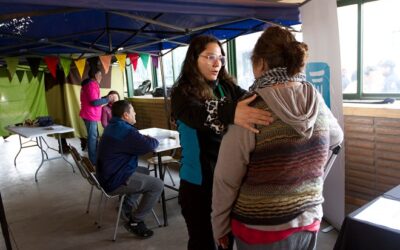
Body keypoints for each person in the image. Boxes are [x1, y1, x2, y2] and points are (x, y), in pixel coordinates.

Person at [211, 26, 344, 250]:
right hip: (308, 219)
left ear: (261, 63)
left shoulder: (250, 108)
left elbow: (226, 180)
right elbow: (336, 137)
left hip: (261, 229)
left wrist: (219, 226)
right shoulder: (314, 97)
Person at [171, 35, 274, 250]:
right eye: (210, 57)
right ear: (193, 59)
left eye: (220, 58)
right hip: (198, 185)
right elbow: (198, 115)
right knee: (204, 242)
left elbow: (252, 100)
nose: (217, 63)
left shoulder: (226, 87)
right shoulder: (182, 92)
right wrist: (233, 112)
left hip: (228, 180)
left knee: (226, 240)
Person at [96, 100, 164, 238]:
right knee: (157, 184)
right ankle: (135, 221)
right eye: (133, 111)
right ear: (126, 115)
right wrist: (150, 139)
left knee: (144, 171)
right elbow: (149, 146)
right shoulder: (125, 131)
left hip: (107, 174)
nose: (135, 113)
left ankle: (127, 205)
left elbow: (138, 140)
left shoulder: (113, 126)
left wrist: (143, 138)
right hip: (114, 179)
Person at [79, 67, 110, 164]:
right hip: (90, 115)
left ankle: (96, 157)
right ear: (96, 75)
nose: (101, 77)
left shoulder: (90, 84)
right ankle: (93, 161)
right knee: (92, 138)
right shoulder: (91, 85)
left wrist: (105, 98)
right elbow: (94, 102)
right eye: (100, 75)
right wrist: (107, 100)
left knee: (94, 136)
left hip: (90, 114)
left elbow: (95, 99)